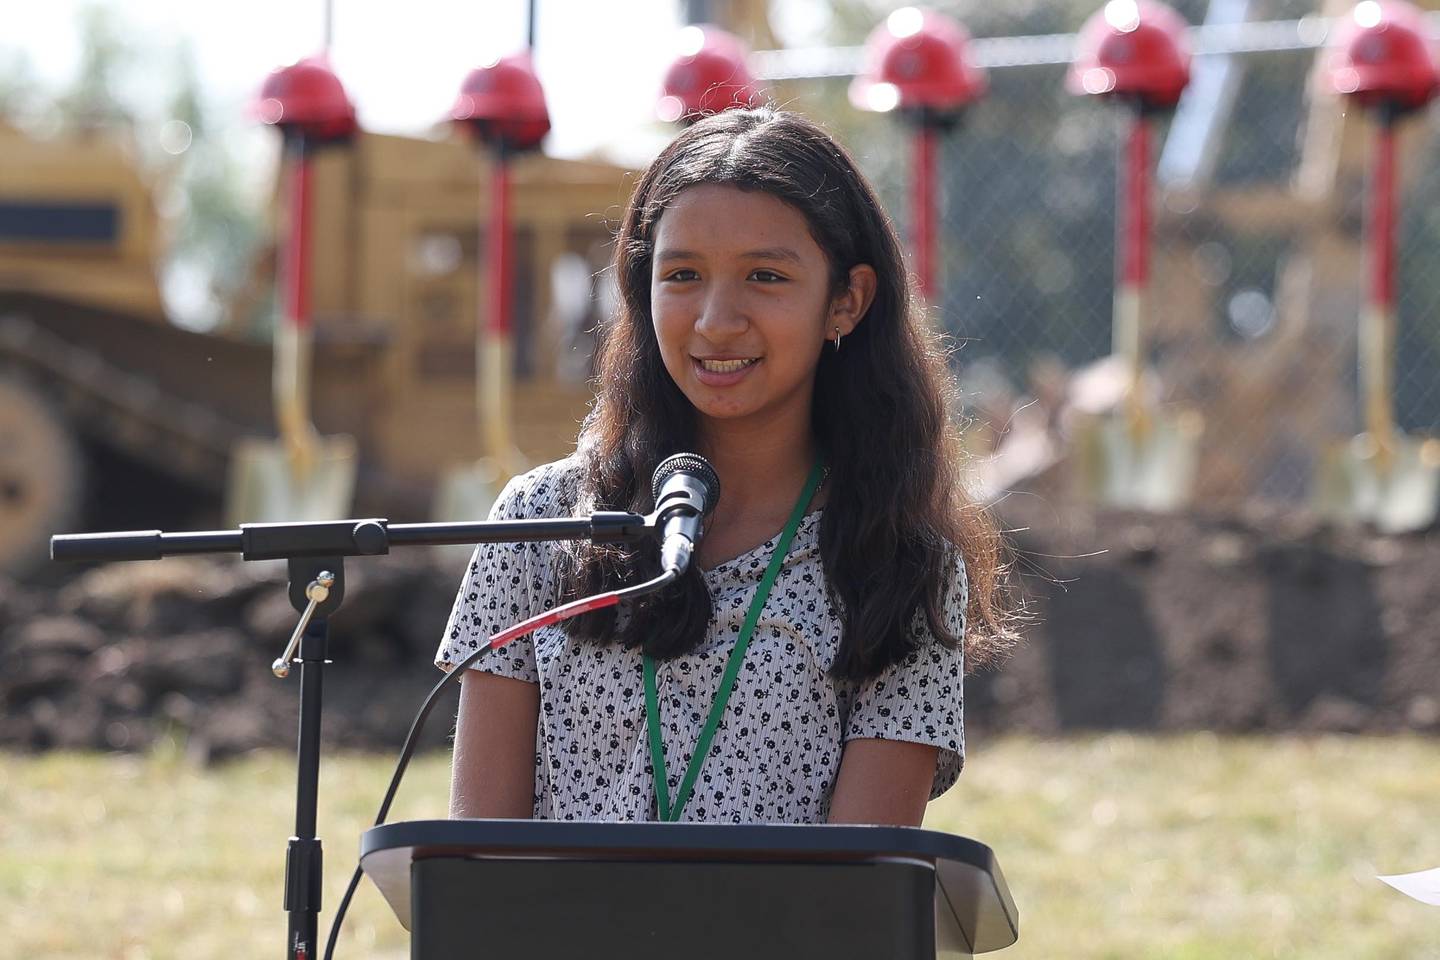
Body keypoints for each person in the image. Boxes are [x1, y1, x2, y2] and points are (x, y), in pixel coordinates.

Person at [437, 107, 1017, 825]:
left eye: (765, 276)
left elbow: (863, 898)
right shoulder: (537, 522)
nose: (716, 320)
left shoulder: (900, 564)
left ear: (847, 300)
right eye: (682, 274)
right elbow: (475, 868)